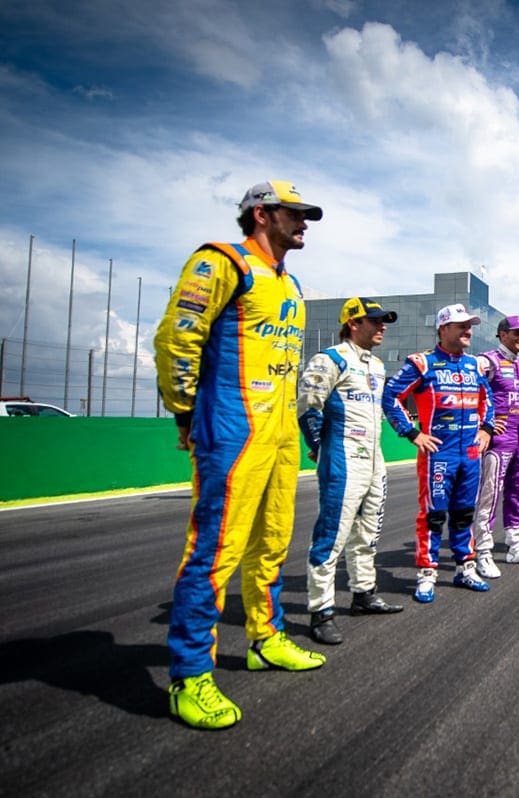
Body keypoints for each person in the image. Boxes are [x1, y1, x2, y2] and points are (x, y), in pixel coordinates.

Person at [154, 180, 327, 731]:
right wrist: (186, 412)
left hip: (280, 433)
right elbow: (177, 339)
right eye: (293, 214)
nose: (304, 224)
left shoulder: (290, 282)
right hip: (232, 428)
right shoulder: (221, 262)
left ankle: (265, 637)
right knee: (215, 551)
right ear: (260, 214)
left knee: (273, 539)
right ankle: (189, 675)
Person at [298, 297, 405, 646]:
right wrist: (318, 447)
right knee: (332, 534)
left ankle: (363, 594)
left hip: (374, 459)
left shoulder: (375, 365)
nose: (381, 326)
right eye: (374, 320)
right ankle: (321, 610)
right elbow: (308, 406)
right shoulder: (329, 359)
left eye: (383, 321)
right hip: (343, 459)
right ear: (353, 324)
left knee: (368, 532)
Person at [383, 303, 495, 603]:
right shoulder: (423, 363)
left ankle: (466, 568)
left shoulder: (475, 365)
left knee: (463, 515)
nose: (468, 330)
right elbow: (390, 396)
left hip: (470, 454)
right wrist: (412, 433)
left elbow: (488, 398)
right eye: (461, 325)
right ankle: (427, 573)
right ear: (443, 328)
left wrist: (486, 429)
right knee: (433, 516)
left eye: (469, 325)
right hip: (438, 456)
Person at [471, 315, 519, 577]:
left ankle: (515, 546)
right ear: (502, 335)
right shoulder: (487, 361)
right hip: (497, 441)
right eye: (516, 333)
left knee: (517, 492)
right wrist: (484, 424)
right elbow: (466, 389)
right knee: (489, 496)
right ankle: (482, 552)